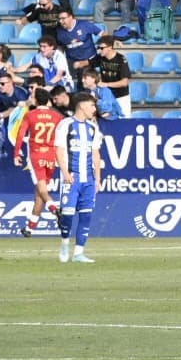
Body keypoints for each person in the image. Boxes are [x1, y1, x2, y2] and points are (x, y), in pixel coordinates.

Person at [54, 90, 104, 264]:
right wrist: (65, 172)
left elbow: (96, 154)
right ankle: (65, 243)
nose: (94, 108)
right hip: (72, 178)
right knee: (67, 215)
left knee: (86, 215)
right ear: (82, 106)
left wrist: (98, 179)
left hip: (88, 180)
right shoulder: (65, 124)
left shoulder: (92, 128)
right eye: (92, 105)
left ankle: (78, 253)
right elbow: (59, 149)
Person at [13, 89, 64, 237]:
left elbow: (20, 134)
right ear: (48, 101)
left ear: (35, 101)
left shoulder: (30, 115)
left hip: (36, 156)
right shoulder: (57, 117)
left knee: (42, 191)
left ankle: (54, 209)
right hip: (50, 156)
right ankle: (30, 228)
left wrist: (16, 154)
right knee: (39, 194)